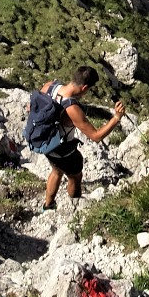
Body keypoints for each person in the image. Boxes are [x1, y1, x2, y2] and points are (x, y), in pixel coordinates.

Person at [38, 65, 125, 210]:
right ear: (84, 88)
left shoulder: (49, 86)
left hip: (45, 142)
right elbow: (96, 136)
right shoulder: (72, 108)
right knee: (76, 176)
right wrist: (116, 117)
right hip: (62, 150)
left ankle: (48, 205)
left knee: (56, 171)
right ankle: (76, 205)